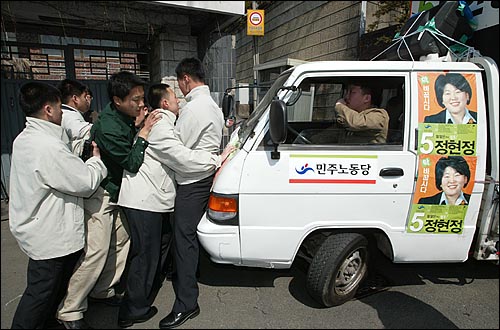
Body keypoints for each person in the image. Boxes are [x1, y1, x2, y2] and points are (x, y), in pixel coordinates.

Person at [56, 71, 161, 329]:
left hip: (118, 192)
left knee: (121, 242)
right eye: (134, 99)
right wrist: (144, 132)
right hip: (101, 194)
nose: (140, 104)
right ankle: (70, 310)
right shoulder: (108, 127)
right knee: (96, 251)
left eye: (141, 98)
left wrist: (136, 126)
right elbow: (132, 162)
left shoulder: (123, 118)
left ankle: (102, 290)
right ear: (117, 100)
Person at [117, 83, 220, 328]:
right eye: (175, 98)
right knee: (144, 256)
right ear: (165, 103)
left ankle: (140, 301)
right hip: (144, 201)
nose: (179, 101)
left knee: (157, 249)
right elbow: (182, 159)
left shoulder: (163, 122)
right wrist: (215, 159)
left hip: (153, 199)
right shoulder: (161, 126)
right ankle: (130, 311)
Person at [9, 82, 107, 329]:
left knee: (50, 292)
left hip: (44, 231)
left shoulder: (27, 138)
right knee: (40, 295)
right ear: (48, 110)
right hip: (50, 236)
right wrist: (95, 162)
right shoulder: (47, 146)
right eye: (58, 107)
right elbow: (84, 182)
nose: (63, 112)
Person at [159, 58, 224, 329]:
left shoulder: (194, 109)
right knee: (188, 237)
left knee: (183, 238)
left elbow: (177, 146)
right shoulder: (213, 106)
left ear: (186, 79)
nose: (179, 89)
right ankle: (189, 274)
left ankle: (187, 303)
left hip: (191, 181)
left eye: (179, 83)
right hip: (203, 177)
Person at [334, 79, 389, 144]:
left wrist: (339, 106)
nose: (346, 97)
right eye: (346, 92)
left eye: (352, 92)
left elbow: (356, 123)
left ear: (366, 98)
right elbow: (329, 135)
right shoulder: (350, 117)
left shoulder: (379, 115)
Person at [57, 78, 93, 157]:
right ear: (75, 99)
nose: (87, 100)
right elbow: (83, 131)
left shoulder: (64, 113)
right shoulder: (68, 115)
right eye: (84, 97)